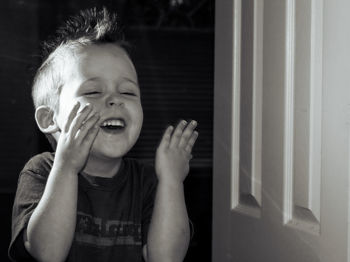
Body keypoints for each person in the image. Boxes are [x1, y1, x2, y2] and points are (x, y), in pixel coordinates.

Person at [8, 7, 198, 262]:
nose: (115, 100)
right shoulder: (40, 171)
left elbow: (166, 257)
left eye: (128, 92)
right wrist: (66, 167)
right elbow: (48, 253)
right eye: (93, 92)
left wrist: (172, 181)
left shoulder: (146, 183)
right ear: (49, 118)